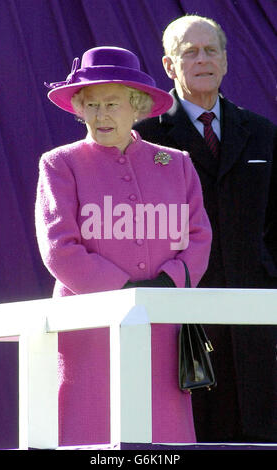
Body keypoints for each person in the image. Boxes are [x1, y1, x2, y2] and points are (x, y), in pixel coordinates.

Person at [35, 46, 212, 442]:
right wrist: (123, 292)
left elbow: (198, 236)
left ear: (137, 107)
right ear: (78, 109)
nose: (100, 115)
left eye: (112, 103)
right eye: (91, 104)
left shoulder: (177, 162)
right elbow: (59, 247)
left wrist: (167, 286)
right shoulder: (60, 163)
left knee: (163, 437)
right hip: (90, 329)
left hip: (161, 325)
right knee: (89, 432)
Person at [134, 15, 277, 443]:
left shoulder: (263, 133)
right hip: (183, 311)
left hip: (255, 309)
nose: (202, 60)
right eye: (189, 52)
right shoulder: (145, 139)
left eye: (210, 50)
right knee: (188, 431)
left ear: (226, 61)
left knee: (259, 429)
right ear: (169, 65)